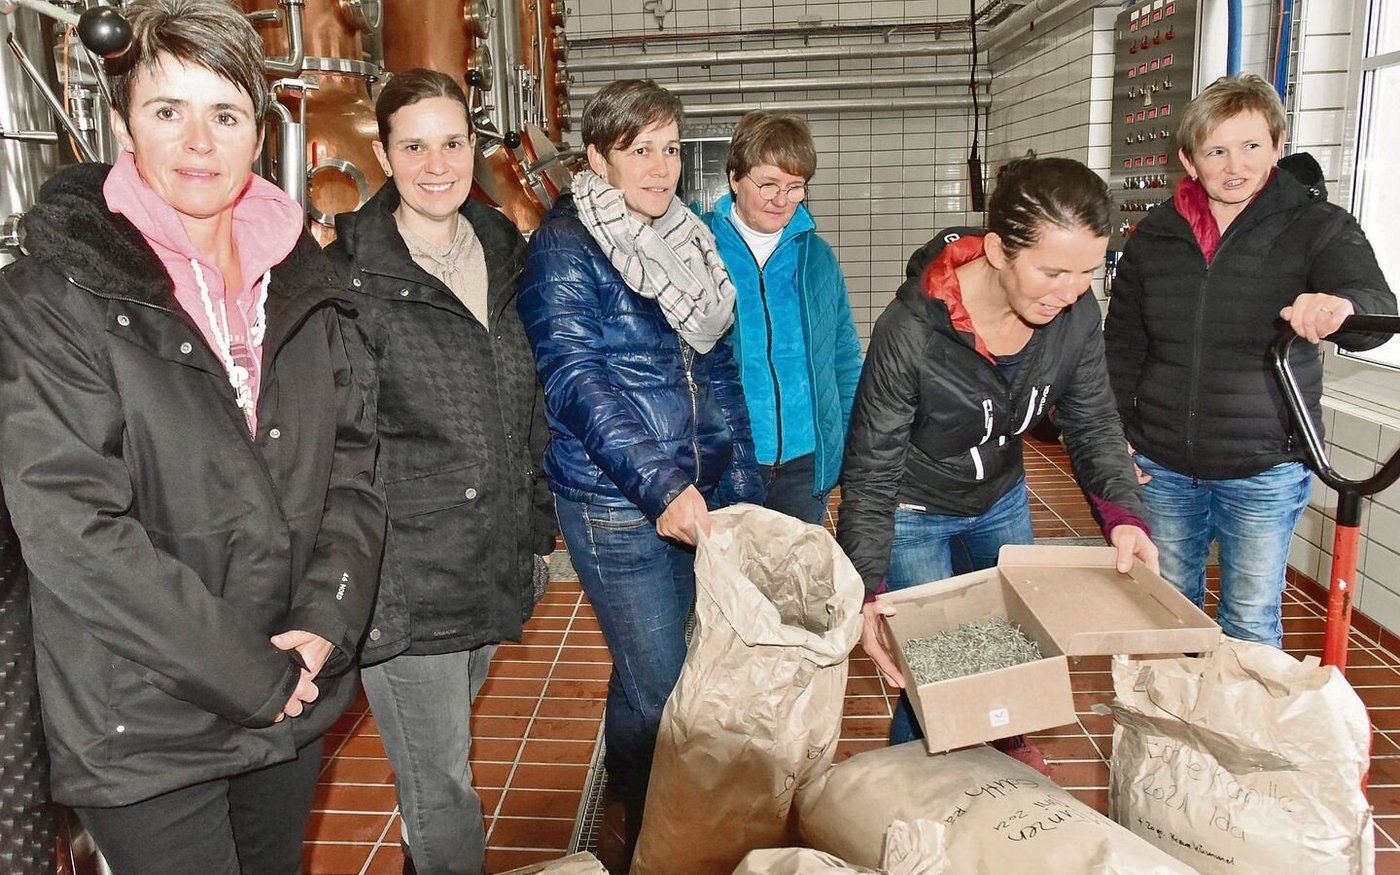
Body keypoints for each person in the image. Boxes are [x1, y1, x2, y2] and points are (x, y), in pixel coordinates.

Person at [0, 1, 388, 872]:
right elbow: (71, 527)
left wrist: (323, 620)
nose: (199, 142)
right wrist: (254, 676)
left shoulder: (304, 278)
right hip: (145, 716)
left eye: (225, 113)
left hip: (290, 680)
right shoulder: (51, 295)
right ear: (123, 123)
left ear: (260, 130)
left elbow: (355, 465)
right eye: (167, 110)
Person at [838, 157, 1158, 767]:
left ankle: (999, 769)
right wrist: (868, 588)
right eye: (1052, 271)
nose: (1070, 292)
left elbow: (1091, 419)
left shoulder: (1076, 316)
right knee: (931, 671)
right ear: (997, 251)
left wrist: (1124, 514)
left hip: (1001, 499)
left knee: (1009, 647)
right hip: (914, 511)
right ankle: (910, 805)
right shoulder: (910, 332)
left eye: (1087, 272)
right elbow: (873, 466)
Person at [518, 79, 763, 871]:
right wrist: (661, 487)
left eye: (667, 148)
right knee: (664, 686)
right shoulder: (564, 246)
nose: (659, 168)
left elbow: (720, 369)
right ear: (597, 157)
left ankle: (627, 792)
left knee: (657, 666)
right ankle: (662, 838)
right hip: (614, 501)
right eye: (637, 150)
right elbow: (576, 380)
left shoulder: (688, 236)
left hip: (697, 489)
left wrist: (742, 486)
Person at [325, 68, 556, 875]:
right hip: (406, 575)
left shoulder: (504, 250)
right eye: (413, 145)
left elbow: (529, 403)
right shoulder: (349, 276)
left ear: (473, 148)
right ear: (384, 156)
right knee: (444, 783)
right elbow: (341, 445)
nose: (436, 163)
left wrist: (536, 524)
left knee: (439, 766)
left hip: (490, 557)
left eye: (451, 142)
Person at [1104, 73, 1396, 648]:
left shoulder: (1318, 227)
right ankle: (1175, 737)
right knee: (1164, 615)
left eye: (1251, 146)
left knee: (1250, 622)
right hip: (1161, 465)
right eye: (1217, 150)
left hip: (1266, 465)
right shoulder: (1155, 236)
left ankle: (1243, 740)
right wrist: (1116, 435)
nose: (1235, 166)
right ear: (1189, 160)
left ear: (1277, 147)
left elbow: (1376, 312)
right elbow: (1122, 346)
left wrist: (1342, 307)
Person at [702, 111, 862, 525]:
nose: (782, 199)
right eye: (768, 184)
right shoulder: (697, 248)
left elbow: (844, 360)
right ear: (735, 178)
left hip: (805, 462)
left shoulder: (817, 259)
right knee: (729, 584)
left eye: (795, 187)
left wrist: (839, 444)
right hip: (725, 460)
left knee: (793, 583)